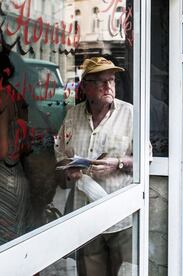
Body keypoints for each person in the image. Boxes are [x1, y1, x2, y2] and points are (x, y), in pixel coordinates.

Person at [55, 56, 134, 275]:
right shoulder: (72, 116)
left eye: (112, 80)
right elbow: (60, 155)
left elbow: (144, 159)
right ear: (86, 86)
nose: (109, 86)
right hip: (85, 215)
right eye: (102, 81)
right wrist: (68, 169)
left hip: (120, 218)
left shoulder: (130, 114)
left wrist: (117, 164)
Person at [0, 49, 31, 245]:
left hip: (4, 183)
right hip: (17, 176)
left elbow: (1, 148)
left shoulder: (2, 100)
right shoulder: (16, 97)